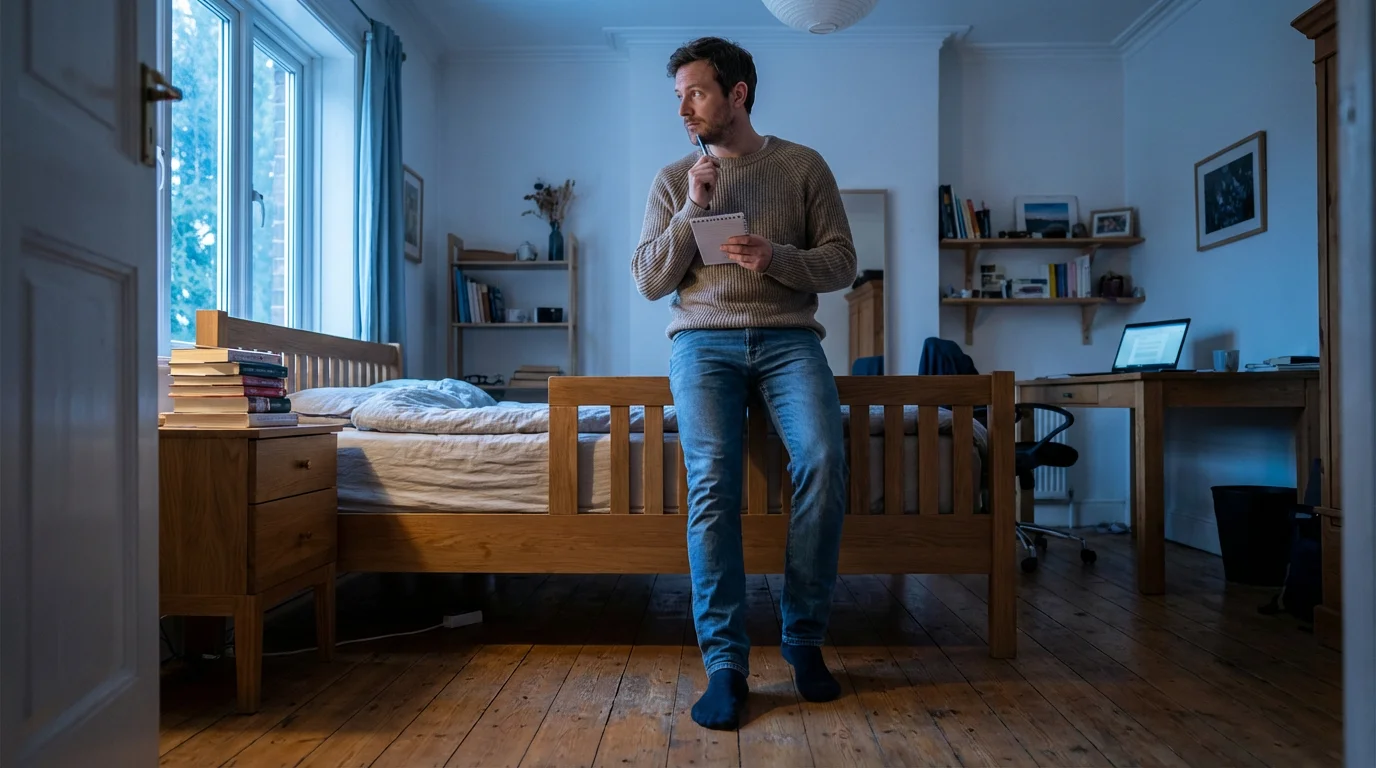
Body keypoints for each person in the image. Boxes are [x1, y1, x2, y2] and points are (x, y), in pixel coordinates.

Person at [630, 36, 857, 731]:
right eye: (678, 97)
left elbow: (844, 262)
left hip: (789, 339)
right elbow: (648, 280)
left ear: (738, 93)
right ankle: (725, 663)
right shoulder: (675, 177)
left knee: (822, 457)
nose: (684, 109)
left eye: (695, 93)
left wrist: (777, 257)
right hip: (702, 343)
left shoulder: (802, 166)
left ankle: (803, 637)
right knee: (713, 480)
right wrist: (691, 210)